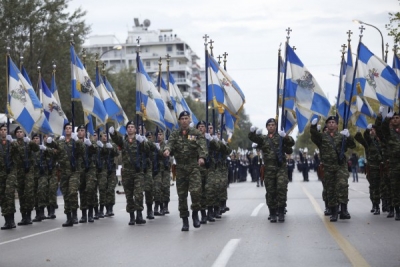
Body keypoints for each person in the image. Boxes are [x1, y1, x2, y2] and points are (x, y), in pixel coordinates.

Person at [163, 111, 207, 231]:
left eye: (186, 118)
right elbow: (170, 144)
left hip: (193, 167)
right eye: (182, 118)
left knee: (196, 192)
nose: (184, 120)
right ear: (179, 121)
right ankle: (185, 220)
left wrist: (202, 157)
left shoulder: (196, 133)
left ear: (189, 120)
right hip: (181, 168)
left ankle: (195, 214)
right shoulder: (175, 134)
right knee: (182, 196)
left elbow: (202, 145)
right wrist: (167, 150)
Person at [310, 116, 356, 222]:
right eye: (329, 122)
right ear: (326, 125)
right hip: (328, 167)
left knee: (343, 185)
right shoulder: (322, 137)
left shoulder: (342, 136)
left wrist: (348, 136)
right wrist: (313, 125)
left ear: (336, 125)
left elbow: (353, 145)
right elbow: (313, 134)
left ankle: (344, 210)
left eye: (333, 122)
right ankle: (334, 212)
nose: (331, 124)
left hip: (340, 166)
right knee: (331, 189)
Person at [248, 118, 294, 223]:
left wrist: (285, 136)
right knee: (270, 192)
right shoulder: (263, 139)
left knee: (281, 188)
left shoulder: (281, 138)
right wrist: (252, 132)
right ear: (266, 127)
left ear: (276, 126)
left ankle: (281, 212)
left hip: (281, 168)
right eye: (269, 125)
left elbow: (291, 144)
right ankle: (272, 213)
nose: (271, 126)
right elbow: (253, 138)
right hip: (269, 169)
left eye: (273, 125)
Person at [110, 121, 149, 225]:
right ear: (127, 130)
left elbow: (147, 150)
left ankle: (139, 215)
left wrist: (143, 142)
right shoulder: (124, 141)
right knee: (129, 195)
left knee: (139, 194)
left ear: (135, 130)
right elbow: (117, 140)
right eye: (129, 127)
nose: (130, 128)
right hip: (127, 172)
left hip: (138, 171)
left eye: (132, 127)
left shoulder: (139, 140)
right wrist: (113, 133)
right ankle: (132, 216)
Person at [10, 126, 40, 226]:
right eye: (17, 132)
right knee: (21, 194)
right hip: (19, 172)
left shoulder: (28, 143)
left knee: (29, 193)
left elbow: (37, 148)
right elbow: (9, 154)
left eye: (21, 132)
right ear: (15, 134)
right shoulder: (13, 144)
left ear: (24, 133)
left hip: (29, 172)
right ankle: (23, 217)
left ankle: (29, 215)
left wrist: (31, 141)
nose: (19, 133)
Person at [381, 111, 400, 220]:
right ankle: (397, 211)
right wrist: (385, 118)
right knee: (395, 189)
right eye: (393, 118)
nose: (395, 120)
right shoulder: (389, 133)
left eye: (397, 117)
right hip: (394, 165)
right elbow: (382, 129)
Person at [0, 123, 16, 230]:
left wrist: (14, 143)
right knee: (2, 197)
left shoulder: (12, 143)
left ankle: (12, 220)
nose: (3, 131)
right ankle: (6, 220)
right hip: (1, 173)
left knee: (9, 194)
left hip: (11, 171)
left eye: (5, 129)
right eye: (1, 130)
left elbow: (21, 152)